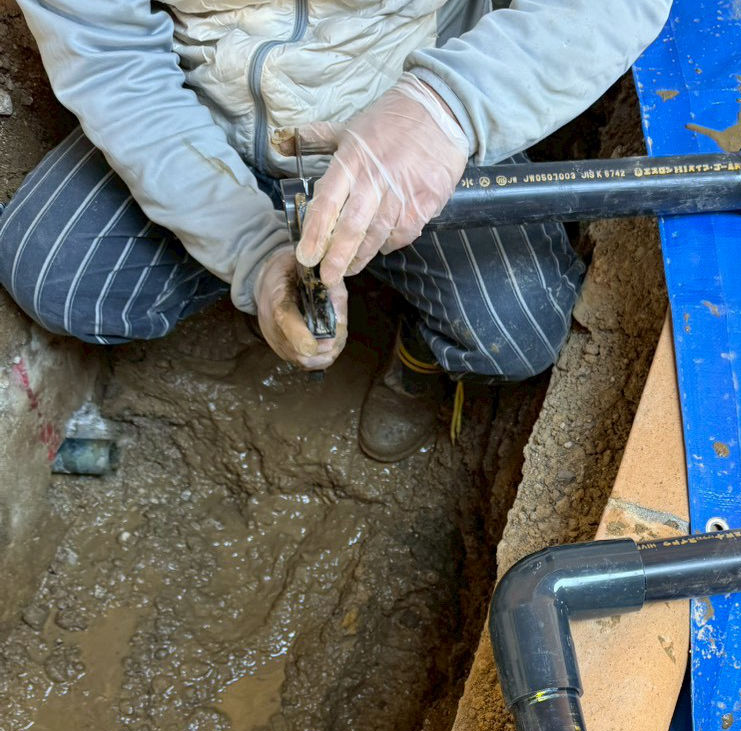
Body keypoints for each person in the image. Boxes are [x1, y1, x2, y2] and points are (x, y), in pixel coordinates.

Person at [0, 0, 672, 461]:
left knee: (520, 325)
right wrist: (252, 252)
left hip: (413, 120)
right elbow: (114, 64)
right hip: (206, 117)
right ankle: (246, 272)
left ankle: (417, 354)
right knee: (53, 271)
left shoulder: (433, 113)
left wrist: (447, 110)